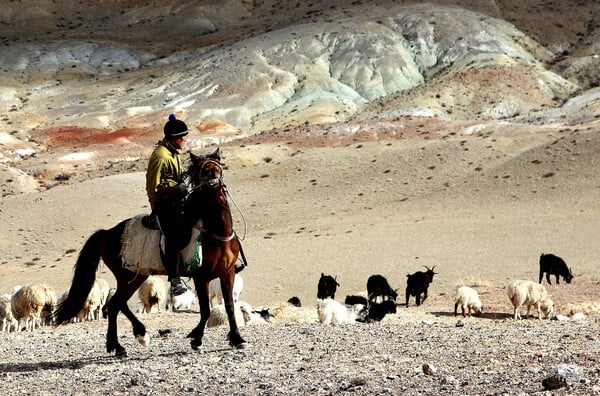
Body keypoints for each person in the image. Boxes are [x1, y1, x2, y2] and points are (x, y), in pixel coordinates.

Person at [146, 114, 190, 296]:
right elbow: (152, 188)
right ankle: (175, 279)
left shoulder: (174, 152)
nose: (185, 140)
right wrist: (174, 192)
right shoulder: (160, 156)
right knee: (173, 236)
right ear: (174, 138)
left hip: (178, 199)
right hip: (164, 205)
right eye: (182, 137)